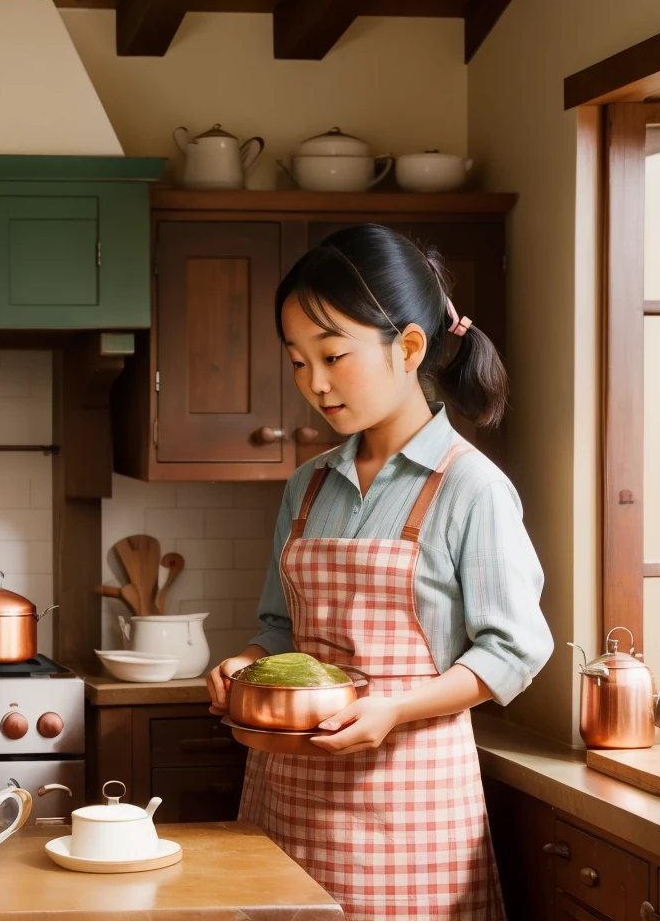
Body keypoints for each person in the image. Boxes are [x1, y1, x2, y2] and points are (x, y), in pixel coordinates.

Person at [205, 224, 553, 921]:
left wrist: (393, 709)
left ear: (410, 347)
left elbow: (514, 649)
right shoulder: (306, 487)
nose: (315, 383)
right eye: (298, 362)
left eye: (333, 355)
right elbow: (278, 630)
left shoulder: (469, 487)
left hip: (409, 807)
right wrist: (242, 665)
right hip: (288, 802)